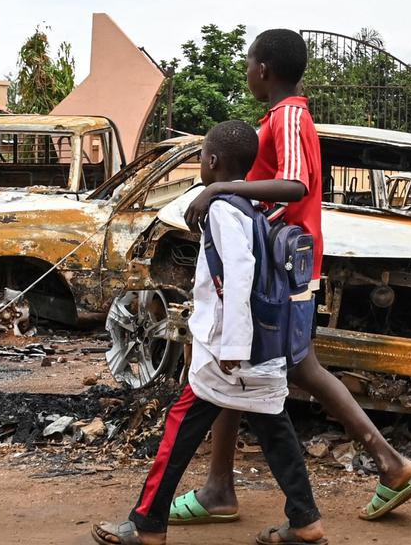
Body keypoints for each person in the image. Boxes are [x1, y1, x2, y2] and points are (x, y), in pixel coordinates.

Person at [176, 29, 411, 525]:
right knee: (256, 364)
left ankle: (389, 462)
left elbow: (295, 185)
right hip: (283, 264)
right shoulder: (279, 117)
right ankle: (220, 486)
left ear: (264, 70)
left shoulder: (289, 116)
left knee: (275, 365)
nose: (246, 72)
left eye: (248, 64)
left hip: (282, 269)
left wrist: (223, 188)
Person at [91, 120, 328, 545]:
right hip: (261, 346)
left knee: (179, 428)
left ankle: (147, 525)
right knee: (276, 430)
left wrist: (233, 346)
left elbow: (237, 275)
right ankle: (305, 521)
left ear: (212, 161)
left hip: (229, 352)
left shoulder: (222, 209)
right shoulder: (251, 207)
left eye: (200, 156)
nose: (200, 163)